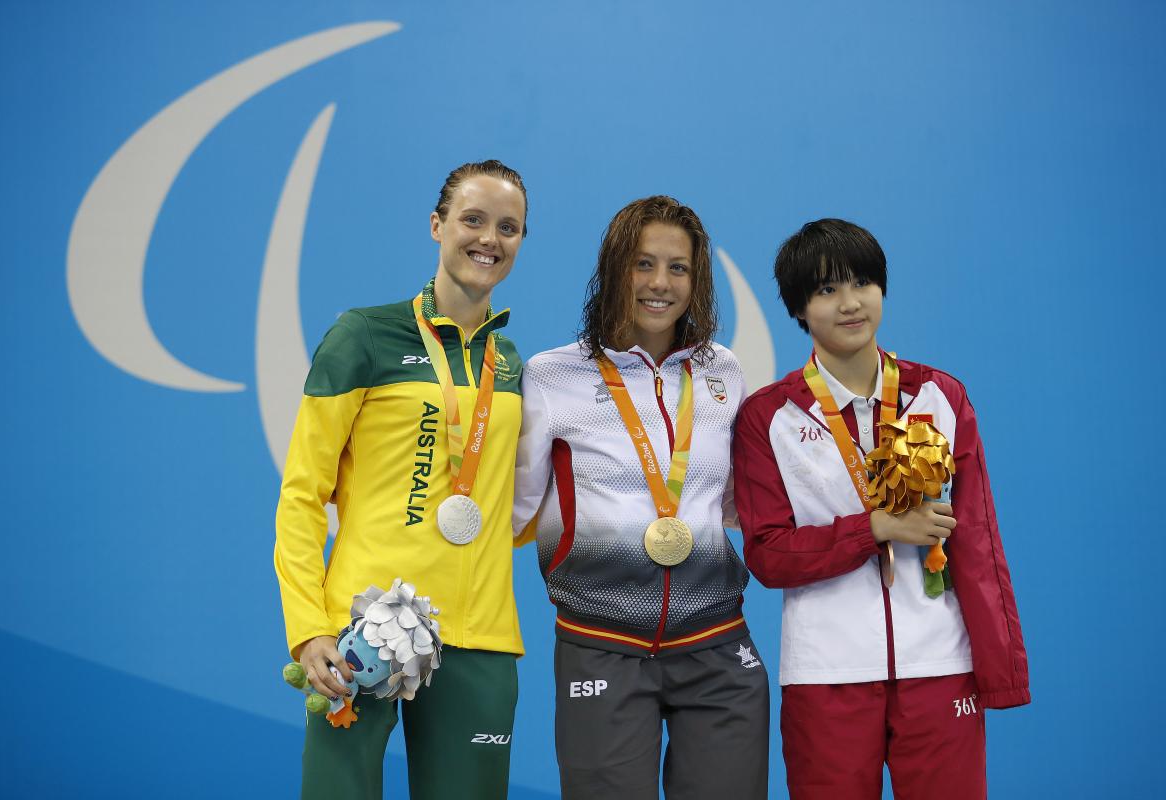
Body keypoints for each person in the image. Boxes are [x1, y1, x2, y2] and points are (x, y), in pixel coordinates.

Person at [733, 218, 1030, 799]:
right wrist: (876, 528)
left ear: (883, 290)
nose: (849, 304)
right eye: (825, 290)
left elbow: (977, 542)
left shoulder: (940, 396)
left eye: (862, 283)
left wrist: (999, 671)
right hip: (827, 675)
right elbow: (768, 556)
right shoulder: (769, 418)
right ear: (798, 309)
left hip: (941, 665)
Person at [274, 159, 529, 800]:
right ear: (437, 224)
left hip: (480, 634)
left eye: (509, 227)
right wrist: (310, 629)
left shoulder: (515, 365)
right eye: (472, 219)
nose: (489, 240)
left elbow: (519, 505)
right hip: (364, 635)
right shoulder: (364, 336)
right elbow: (303, 493)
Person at [513, 195, 770, 799]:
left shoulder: (722, 371)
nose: (660, 283)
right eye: (643, 264)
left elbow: (736, 504)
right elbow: (516, 511)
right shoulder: (553, 377)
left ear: (697, 279)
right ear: (613, 270)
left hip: (717, 643)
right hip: (602, 645)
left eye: (678, 267)